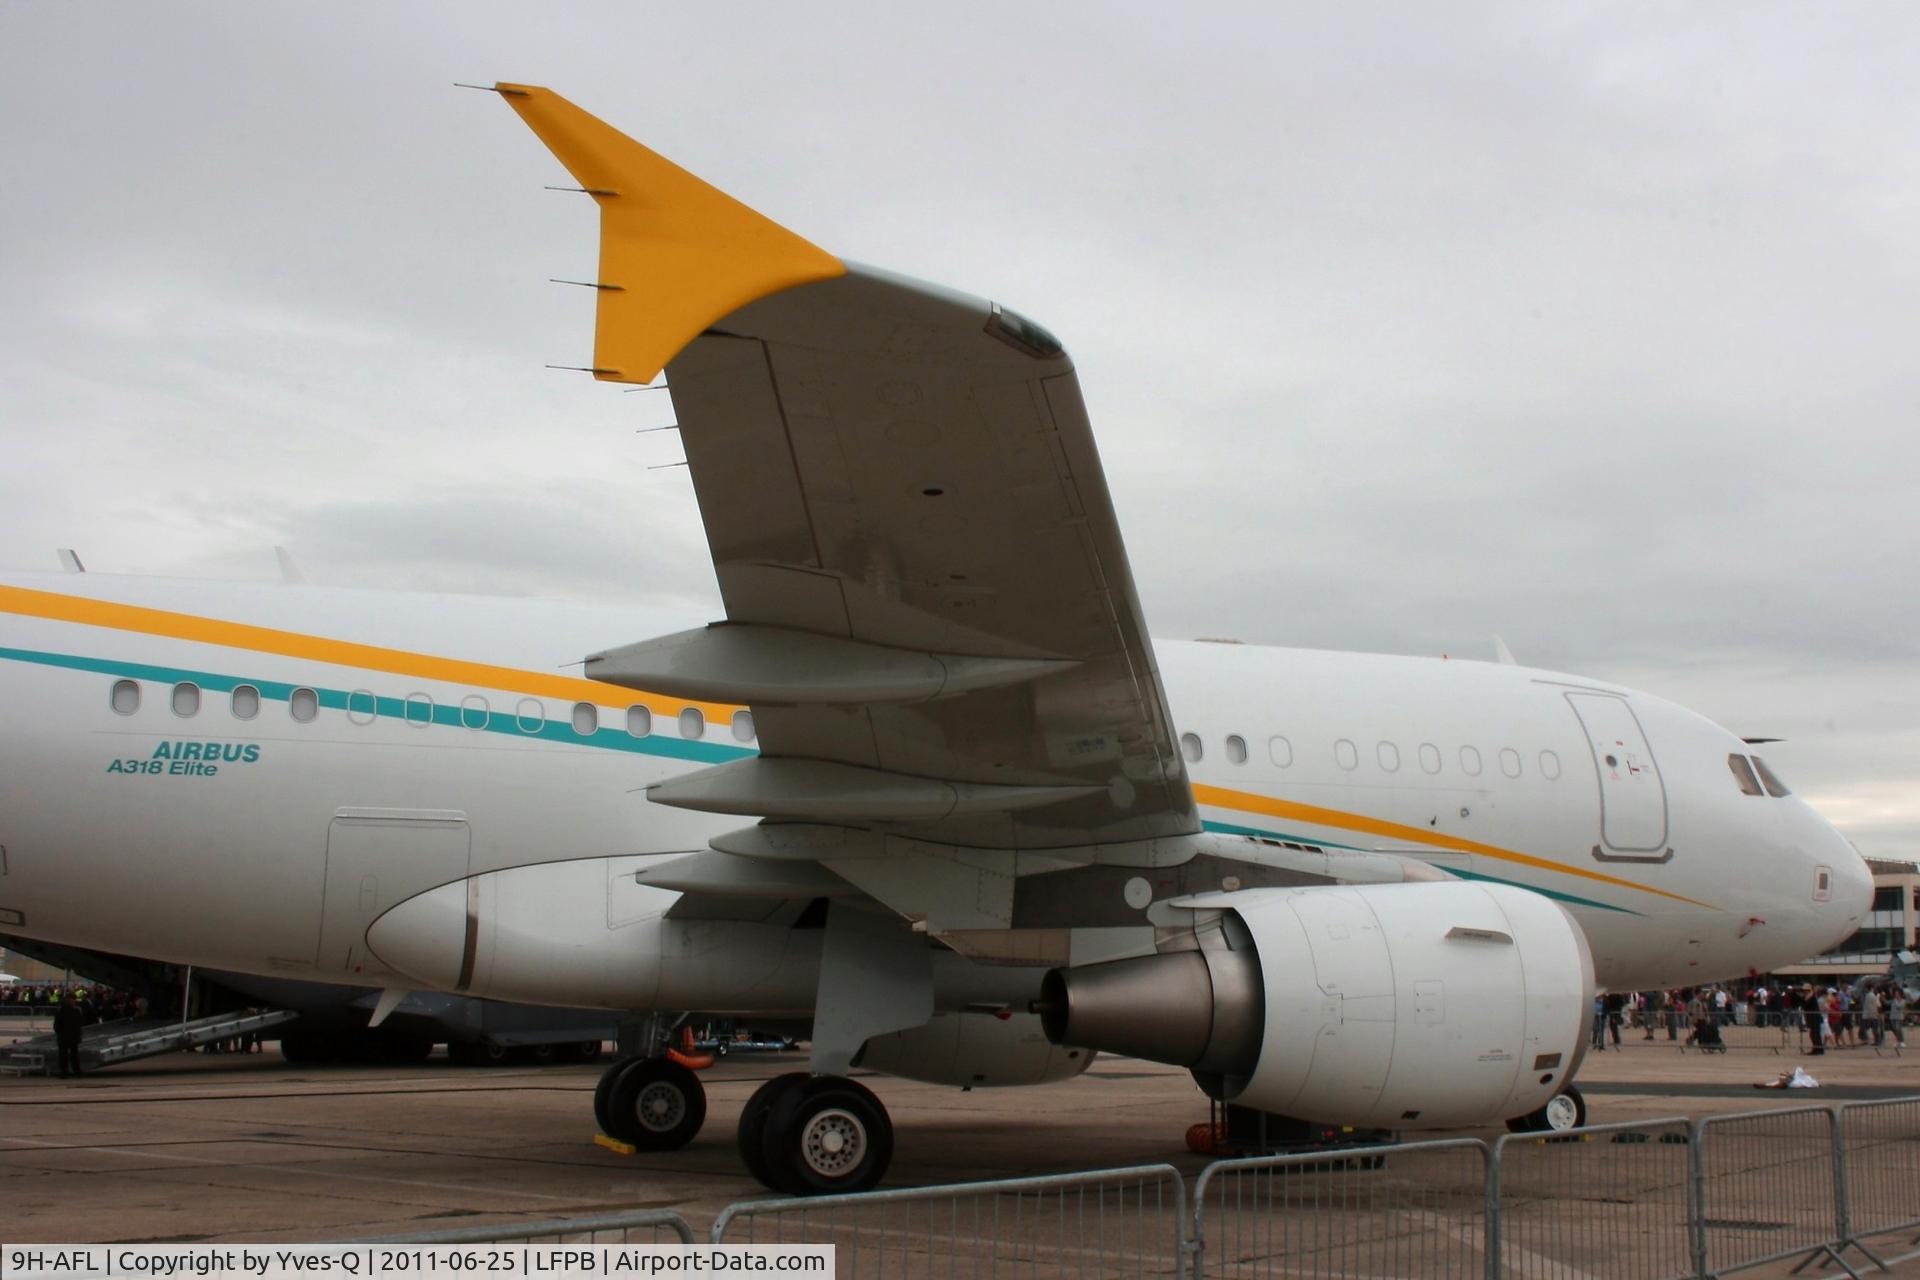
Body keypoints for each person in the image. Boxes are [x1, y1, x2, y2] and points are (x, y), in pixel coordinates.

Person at [52, 991, 86, 1078]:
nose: (74, 1001)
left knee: (63, 1055)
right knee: (73, 1055)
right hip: (72, 1036)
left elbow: (56, 1025)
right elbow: (80, 1023)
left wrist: (60, 1033)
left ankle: (64, 1072)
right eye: (73, 999)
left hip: (63, 1037)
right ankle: (76, 1072)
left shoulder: (60, 1011)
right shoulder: (75, 1011)